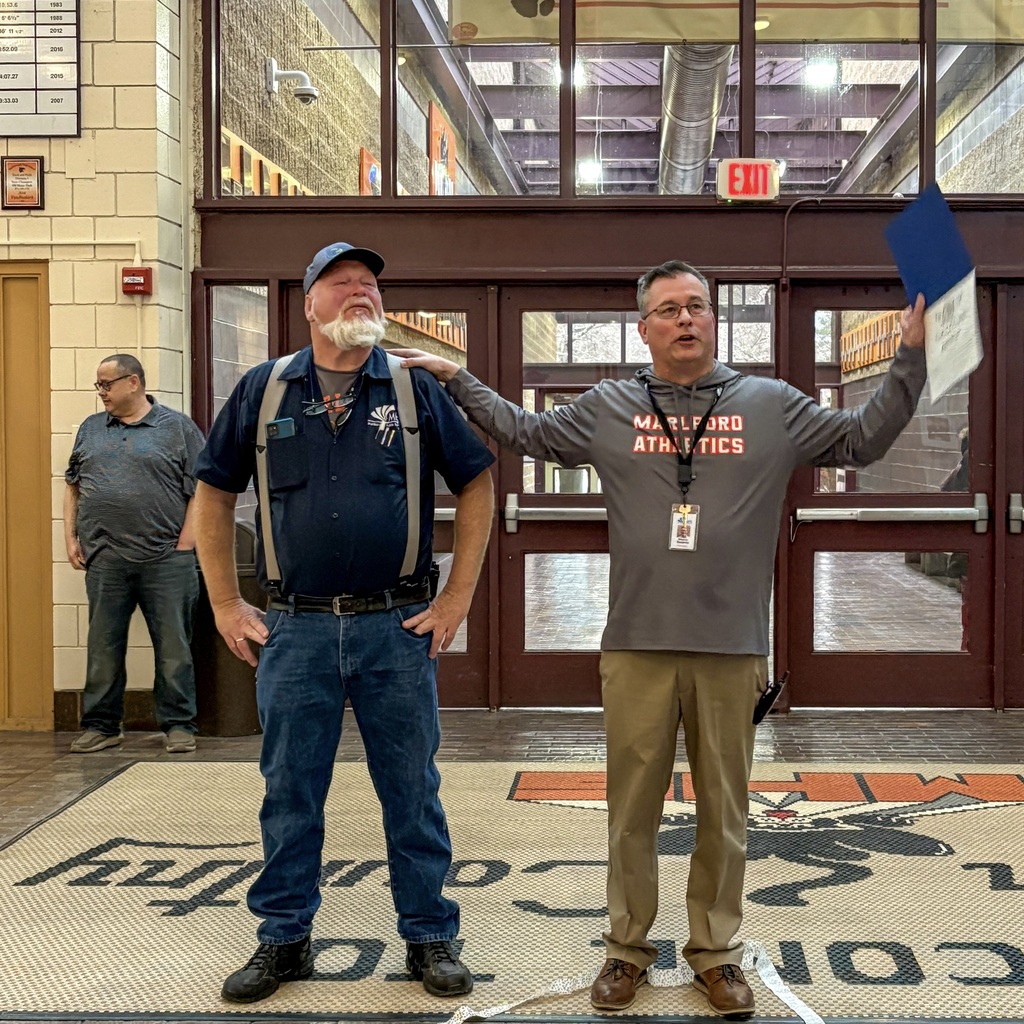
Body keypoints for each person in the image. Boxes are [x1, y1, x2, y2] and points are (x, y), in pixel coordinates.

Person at [396, 260, 927, 1019]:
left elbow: (863, 441)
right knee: (631, 810)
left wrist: (908, 356)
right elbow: (526, 431)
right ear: (642, 327)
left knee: (725, 812)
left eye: (698, 307)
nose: (686, 319)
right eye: (669, 309)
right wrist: (457, 377)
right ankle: (625, 948)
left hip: (732, 644)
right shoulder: (611, 406)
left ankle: (715, 954)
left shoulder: (771, 405)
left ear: (715, 320)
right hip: (637, 643)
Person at [192, 242, 495, 1004]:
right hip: (293, 632)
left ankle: (430, 936)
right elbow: (214, 495)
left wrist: (457, 597)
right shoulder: (265, 390)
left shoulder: (411, 389)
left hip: (396, 628)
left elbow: (480, 483)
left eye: (369, 285)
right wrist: (228, 603)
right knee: (290, 792)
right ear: (310, 304)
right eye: (343, 284)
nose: (361, 294)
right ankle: (283, 939)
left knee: (411, 789)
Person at [64, 354, 204, 754]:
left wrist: (186, 544)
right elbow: (72, 484)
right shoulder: (91, 429)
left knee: (174, 648)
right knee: (102, 647)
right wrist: (70, 537)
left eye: (107, 384)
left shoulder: (177, 428)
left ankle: (179, 725)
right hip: (105, 558)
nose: (102, 392)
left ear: (134, 383)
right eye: (99, 385)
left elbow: (202, 488)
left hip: (166, 559)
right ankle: (102, 726)